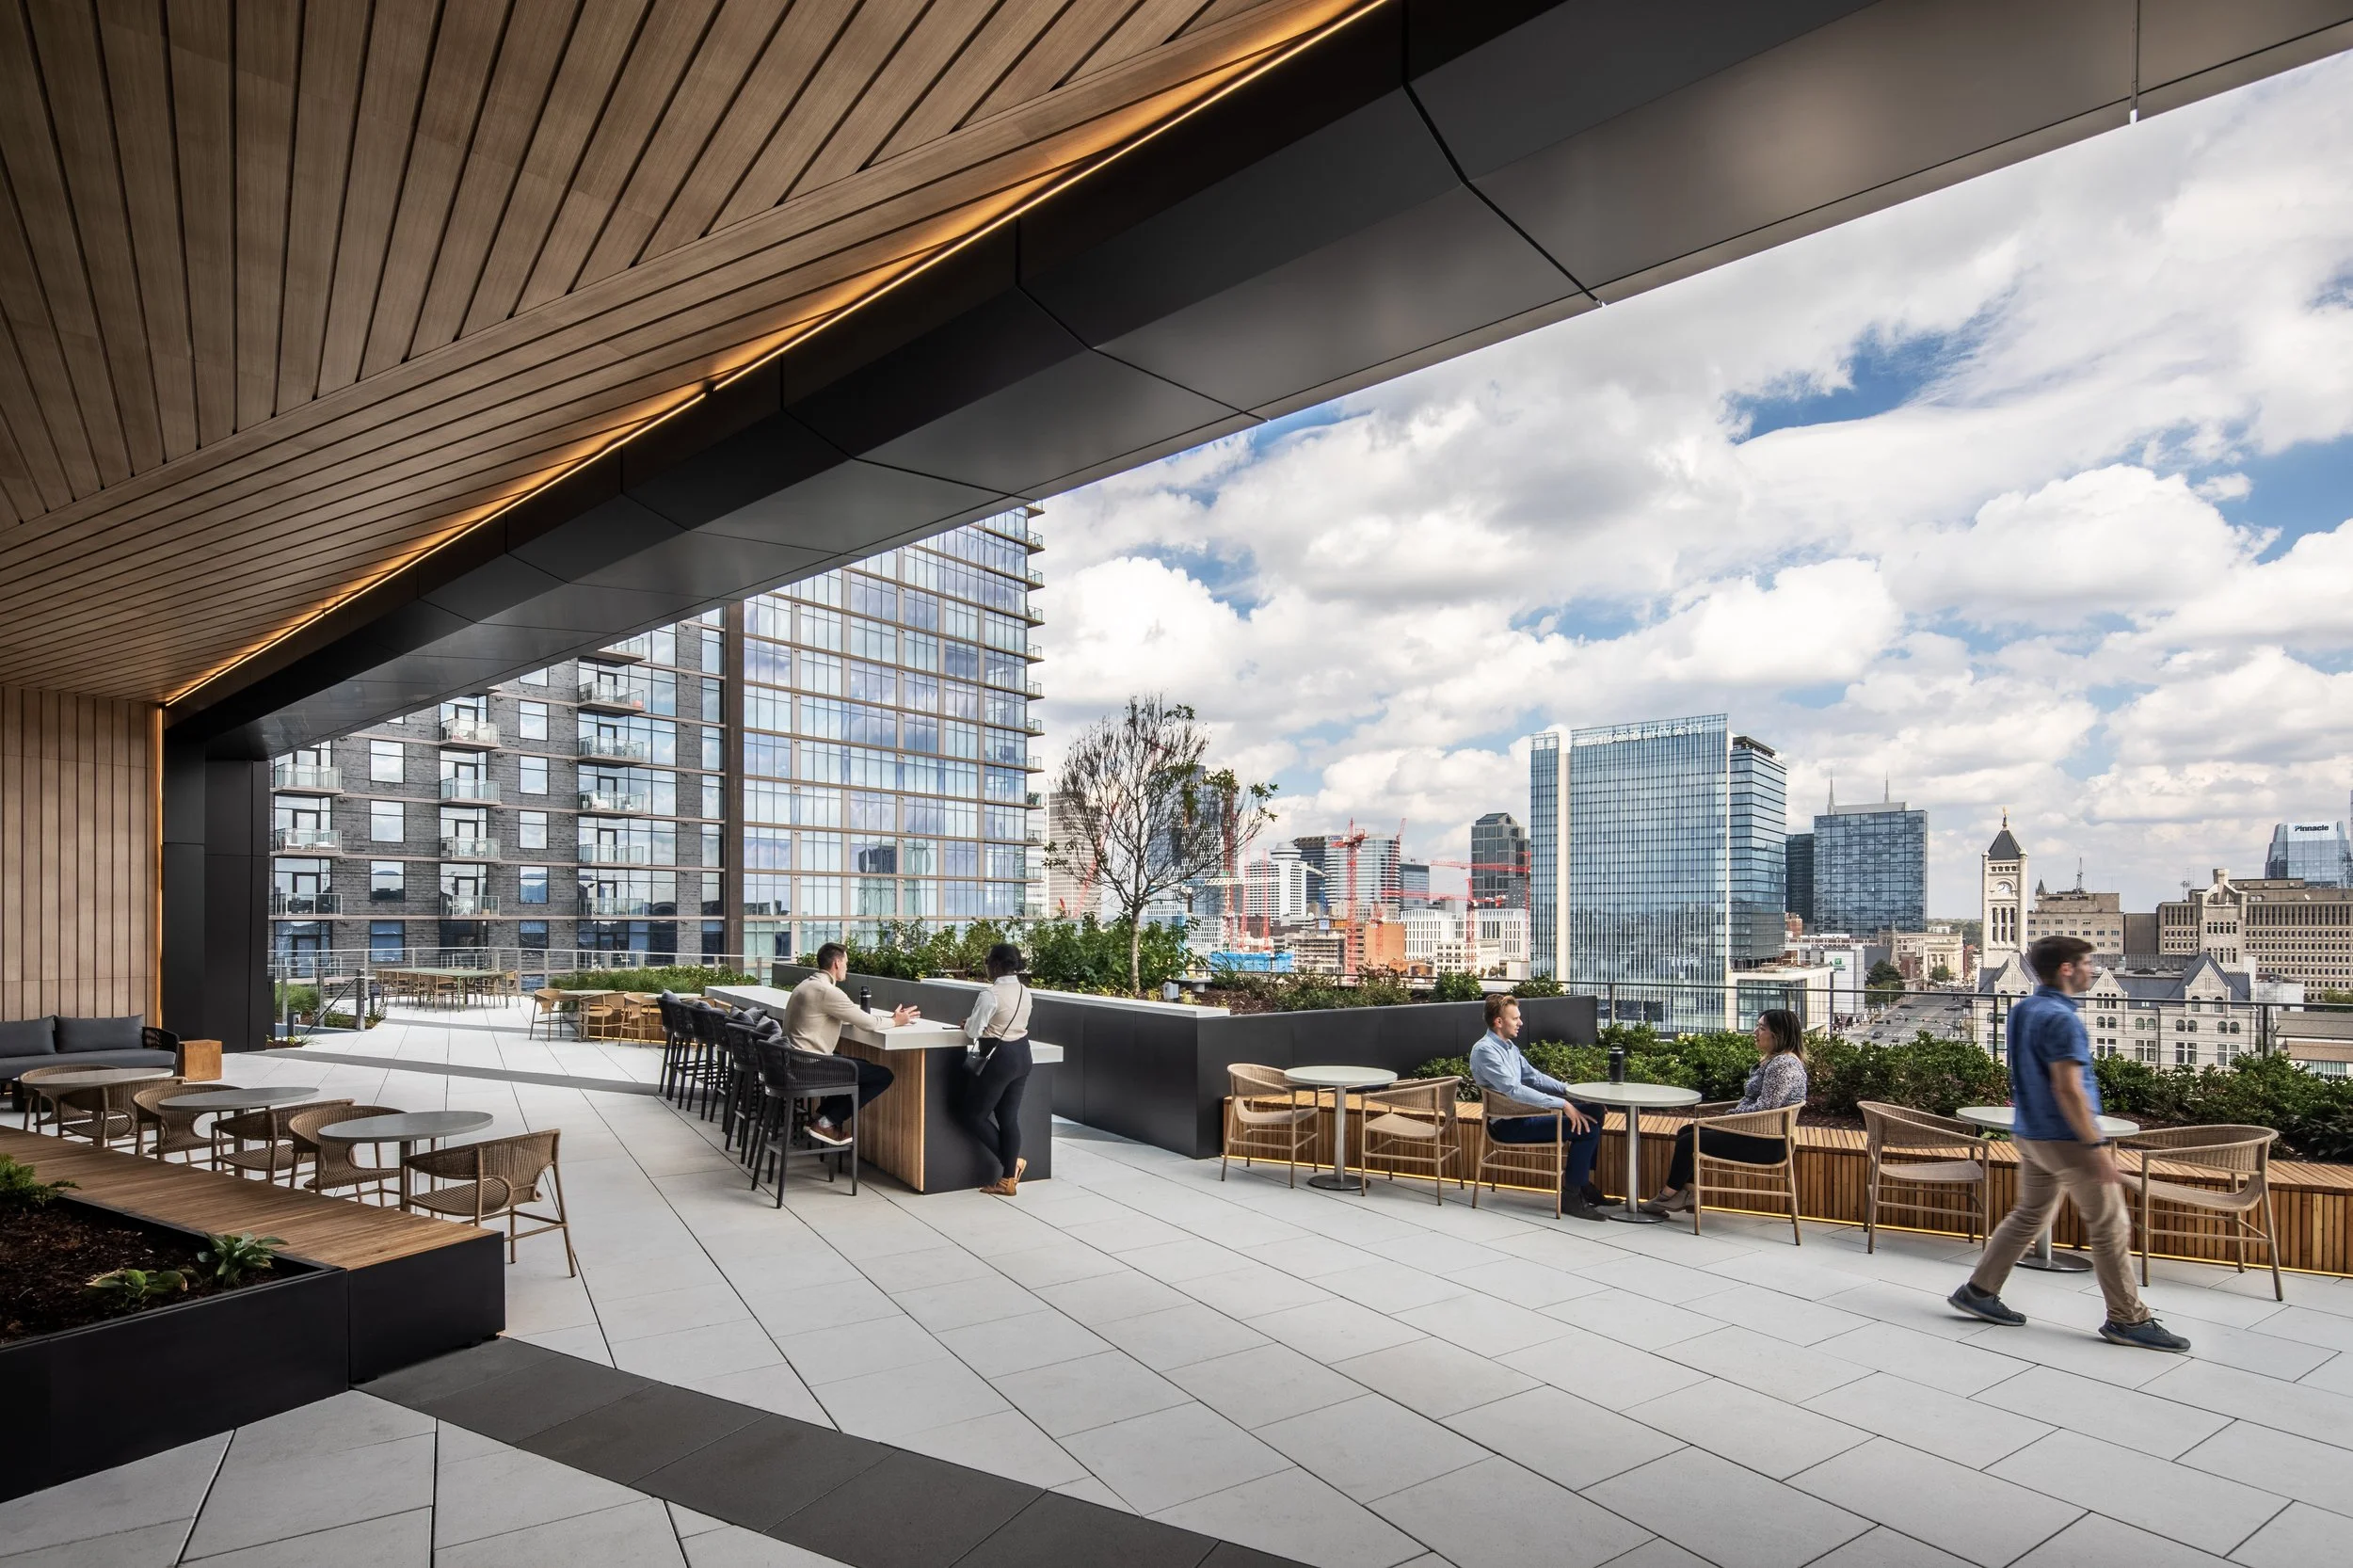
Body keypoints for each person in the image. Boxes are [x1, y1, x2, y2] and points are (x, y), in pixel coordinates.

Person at [1950, 936, 2190, 1352]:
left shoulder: (2024, 1008)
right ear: (2066, 968)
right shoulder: (2062, 1020)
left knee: (2029, 1215)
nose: (2091, 971)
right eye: (2087, 963)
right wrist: (2095, 1147)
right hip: (2066, 1139)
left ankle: (1980, 1291)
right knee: (2110, 1224)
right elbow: (2069, 1088)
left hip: (2029, 1131)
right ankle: (2128, 1318)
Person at [1640, 1008, 1808, 1215]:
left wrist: (1730, 1116)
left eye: (1761, 1028)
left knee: (1688, 1141)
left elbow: (1767, 1107)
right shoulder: (1780, 1061)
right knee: (1687, 1132)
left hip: (1765, 1142)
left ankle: (1666, 1196)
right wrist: (1732, 1115)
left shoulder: (1783, 1064)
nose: (1755, 1032)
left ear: (1778, 1034)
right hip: (1757, 1134)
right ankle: (1687, 1194)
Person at [1470, 994, 1611, 1221]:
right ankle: (1572, 1196)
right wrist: (1564, 1105)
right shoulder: (1485, 1051)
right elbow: (1514, 1090)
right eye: (1515, 1018)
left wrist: (1573, 1093)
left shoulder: (1508, 1047)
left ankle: (1581, 1183)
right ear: (1498, 1022)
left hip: (1523, 1116)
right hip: (1509, 1125)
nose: (1520, 1023)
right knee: (1589, 1129)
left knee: (1593, 1110)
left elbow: (1534, 1078)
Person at [784, 942, 918, 1147]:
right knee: (881, 1075)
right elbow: (867, 1023)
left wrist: (889, 1019)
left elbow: (851, 1016)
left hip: (794, 1062)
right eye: (846, 962)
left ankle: (819, 1118)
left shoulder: (806, 985)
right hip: (809, 1066)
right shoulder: (827, 991)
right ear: (837, 963)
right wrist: (898, 1021)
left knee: (859, 1066)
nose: (847, 967)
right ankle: (827, 1123)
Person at [960, 942, 1036, 1196]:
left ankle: (1012, 1166)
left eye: (987, 961)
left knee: (973, 1116)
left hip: (999, 1057)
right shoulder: (1025, 991)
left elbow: (973, 1031)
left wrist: (970, 1023)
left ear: (995, 964)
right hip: (1023, 1055)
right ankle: (1007, 1180)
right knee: (1008, 1119)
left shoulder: (989, 995)